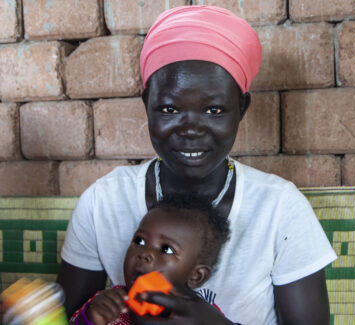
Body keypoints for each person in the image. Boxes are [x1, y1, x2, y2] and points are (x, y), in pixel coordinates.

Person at [57, 5, 337, 324]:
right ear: (146, 103)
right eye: (169, 108)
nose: (191, 128)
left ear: (241, 108)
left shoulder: (280, 209)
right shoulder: (103, 202)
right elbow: (62, 318)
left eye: (214, 111)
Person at [71, 195, 230, 325]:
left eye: (166, 249)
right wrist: (90, 319)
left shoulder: (200, 317)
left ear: (196, 276)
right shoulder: (111, 303)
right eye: (140, 241)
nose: (145, 253)